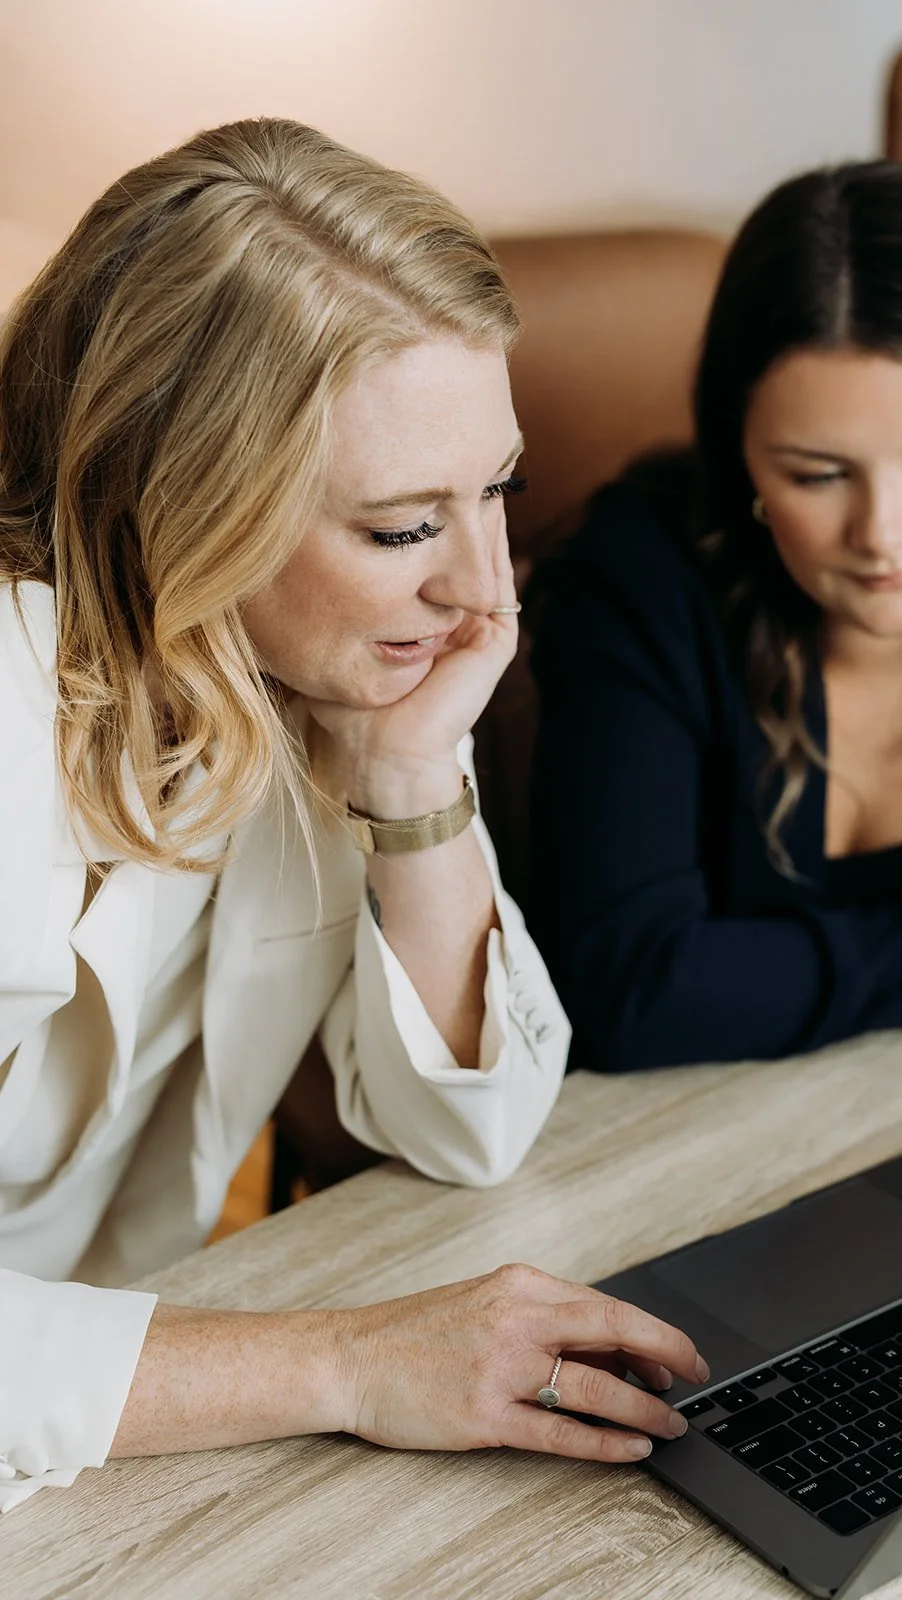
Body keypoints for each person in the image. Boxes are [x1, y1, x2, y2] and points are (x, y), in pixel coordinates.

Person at [0, 119, 707, 1511]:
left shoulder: (281, 675)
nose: (485, 595)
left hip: (110, 1449)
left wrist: (408, 780)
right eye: (399, 529)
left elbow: (471, 1127)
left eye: (495, 489)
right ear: (179, 497)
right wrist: (345, 1362)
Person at [528, 159, 902, 1075]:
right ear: (740, 448)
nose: (883, 536)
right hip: (671, 1147)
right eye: (817, 474)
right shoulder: (637, 587)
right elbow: (629, 989)